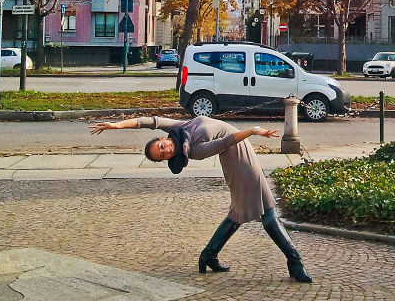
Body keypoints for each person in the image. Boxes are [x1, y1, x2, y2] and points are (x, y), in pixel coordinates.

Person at [89, 115, 312, 283]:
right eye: (163, 155)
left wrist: (116, 125)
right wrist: (253, 130)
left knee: (240, 211)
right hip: (237, 155)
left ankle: (209, 255)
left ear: (161, 139)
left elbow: (149, 121)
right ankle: (294, 260)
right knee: (267, 211)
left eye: (161, 147)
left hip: (241, 149)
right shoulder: (193, 150)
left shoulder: (179, 128)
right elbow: (225, 142)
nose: (166, 150)